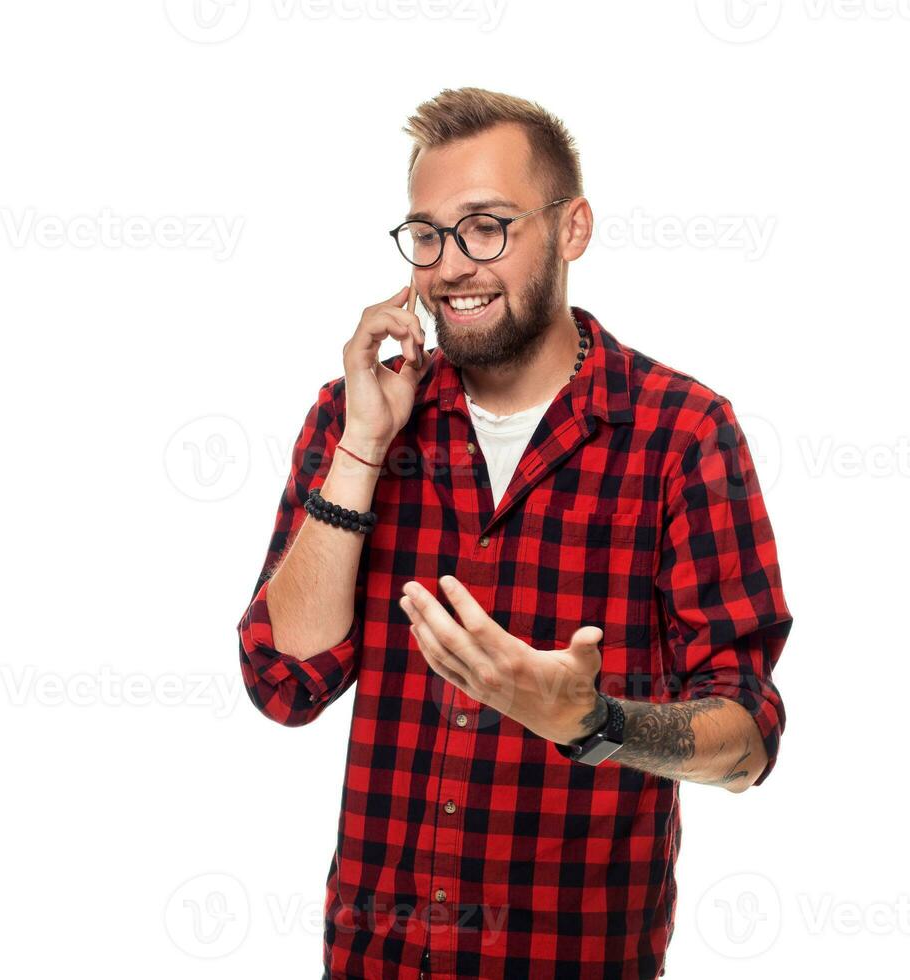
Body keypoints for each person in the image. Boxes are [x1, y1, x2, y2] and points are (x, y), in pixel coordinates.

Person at [237, 86, 792, 980]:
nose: (452, 265)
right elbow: (283, 681)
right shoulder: (357, 417)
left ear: (571, 229)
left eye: (487, 226)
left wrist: (593, 722)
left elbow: (747, 741)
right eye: (428, 234)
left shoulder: (681, 433)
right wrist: (364, 445)